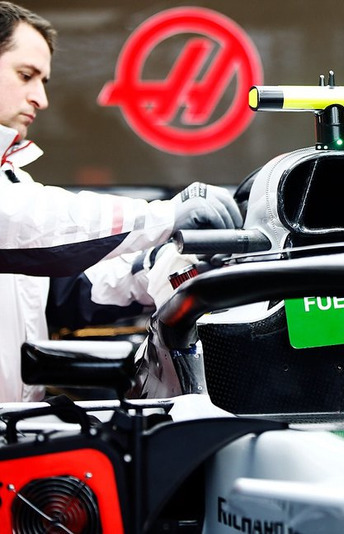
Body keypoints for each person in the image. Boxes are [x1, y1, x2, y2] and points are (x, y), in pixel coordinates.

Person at [0, 1, 243, 401]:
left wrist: (160, 268)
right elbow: (26, 223)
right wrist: (167, 215)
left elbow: (65, 291)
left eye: (43, 81)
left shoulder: (13, 177)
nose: (41, 99)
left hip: (16, 438)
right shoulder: (18, 203)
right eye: (26, 76)